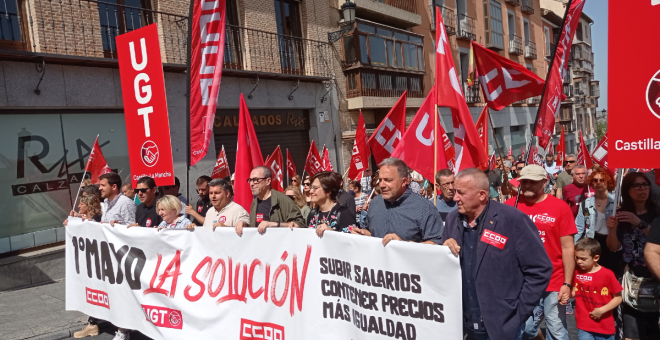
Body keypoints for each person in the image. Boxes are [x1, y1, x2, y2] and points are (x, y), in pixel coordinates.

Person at [441, 168, 552, 340]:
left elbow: (540, 269)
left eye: (461, 193)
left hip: (502, 325)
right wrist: (444, 247)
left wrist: (518, 313)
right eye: (455, 192)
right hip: (465, 323)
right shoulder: (452, 219)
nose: (455, 198)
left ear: (482, 195)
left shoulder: (512, 219)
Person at [505, 165, 577, 340]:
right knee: (526, 329)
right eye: (524, 181)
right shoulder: (509, 205)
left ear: (544, 182)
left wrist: (567, 283)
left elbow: (568, 248)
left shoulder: (560, 207)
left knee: (557, 331)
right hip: (522, 281)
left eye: (533, 182)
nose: (528, 185)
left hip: (554, 278)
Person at [606, 172, 659, 340]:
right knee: (631, 333)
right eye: (636, 185)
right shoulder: (621, 214)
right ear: (627, 190)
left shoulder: (657, 213)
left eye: (645, 185)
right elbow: (613, 247)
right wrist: (613, 229)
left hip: (655, 276)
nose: (642, 189)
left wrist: (639, 222)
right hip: (631, 279)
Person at [351, 158, 443, 245]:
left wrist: (403, 245)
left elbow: (436, 244)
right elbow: (371, 232)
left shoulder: (425, 208)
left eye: (388, 180)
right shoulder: (375, 203)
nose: (382, 185)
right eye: (380, 180)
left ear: (404, 181)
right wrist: (361, 234)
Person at [572, 238, 623, 340]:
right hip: (583, 325)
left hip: (604, 326)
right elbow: (574, 290)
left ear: (596, 258)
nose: (579, 261)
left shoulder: (607, 275)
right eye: (576, 258)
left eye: (583, 259)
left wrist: (601, 310)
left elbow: (618, 298)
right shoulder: (576, 272)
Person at [575, 168, 622, 275]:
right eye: (595, 180)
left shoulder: (618, 202)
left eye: (602, 180)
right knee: (594, 274)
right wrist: (575, 248)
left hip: (612, 241)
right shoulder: (586, 203)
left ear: (609, 181)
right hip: (593, 241)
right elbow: (579, 227)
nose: (598, 183)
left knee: (612, 274)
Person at [244, 166, 305, 235]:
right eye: (250, 180)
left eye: (256, 180)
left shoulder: (283, 200)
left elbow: (300, 224)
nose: (251, 184)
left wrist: (275, 224)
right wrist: (244, 224)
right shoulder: (255, 202)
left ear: (268, 181)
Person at [307, 172, 356, 236]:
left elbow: (351, 242)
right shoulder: (312, 214)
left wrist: (330, 232)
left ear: (328, 191)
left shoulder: (344, 214)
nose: (310, 191)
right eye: (311, 187)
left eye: (315, 188)